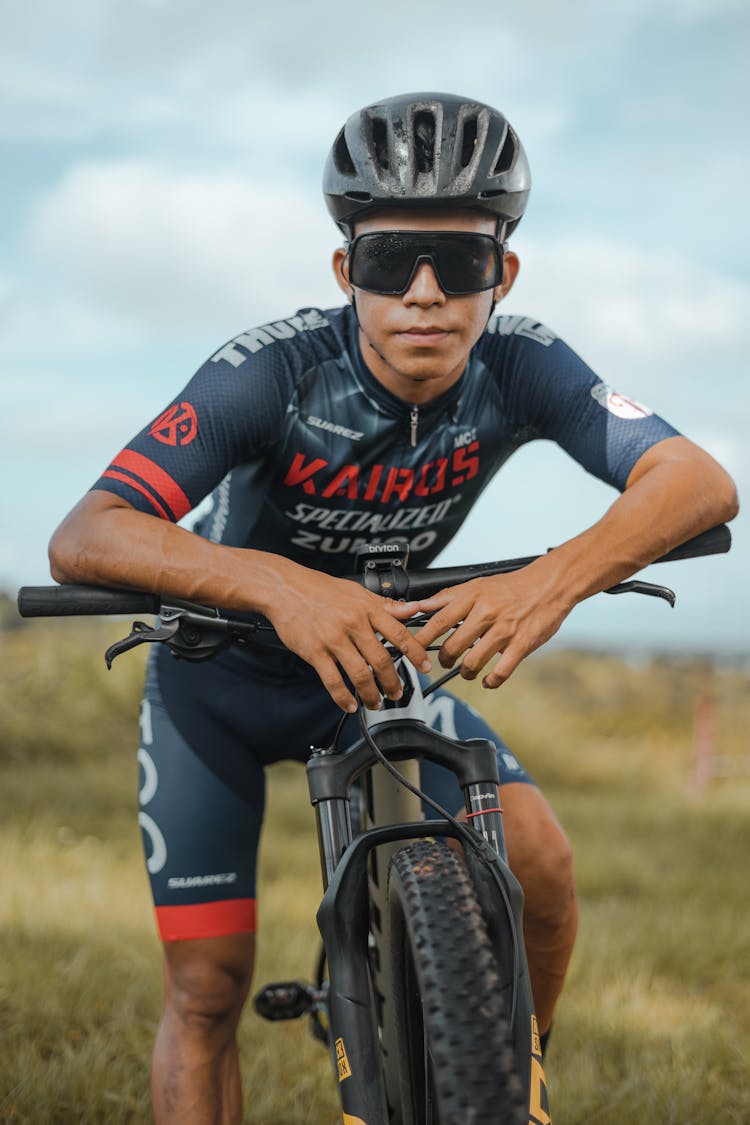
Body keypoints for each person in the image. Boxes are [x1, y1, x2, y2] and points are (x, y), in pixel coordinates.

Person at [48, 91, 738, 1123]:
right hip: (215, 684)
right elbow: (88, 534)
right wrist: (284, 586)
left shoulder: (522, 363)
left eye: (459, 264)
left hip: (374, 666)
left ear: (501, 275)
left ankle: (513, 1082)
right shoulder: (274, 371)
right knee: (207, 991)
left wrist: (550, 580)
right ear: (344, 273)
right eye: (388, 261)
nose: (424, 294)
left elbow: (697, 482)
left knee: (542, 866)